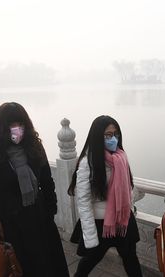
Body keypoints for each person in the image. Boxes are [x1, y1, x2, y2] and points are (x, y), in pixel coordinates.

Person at [0, 102, 69, 277]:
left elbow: (46, 181)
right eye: (12, 125)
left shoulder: (34, 148)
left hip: (38, 221)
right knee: (14, 269)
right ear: (1, 127)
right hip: (7, 226)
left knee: (46, 267)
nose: (17, 129)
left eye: (20, 124)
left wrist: (50, 210)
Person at [68, 115, 142, 277]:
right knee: (89, 261)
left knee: (130, 258)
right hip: (101, 224)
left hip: (122, 220)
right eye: (108, 135)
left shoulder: (121, 157)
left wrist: (128, 210)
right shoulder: (88, 164)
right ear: (97, 136)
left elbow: (128, 187)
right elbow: (84, 202)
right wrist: (90, 235)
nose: (113, 138)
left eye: (116, 134)